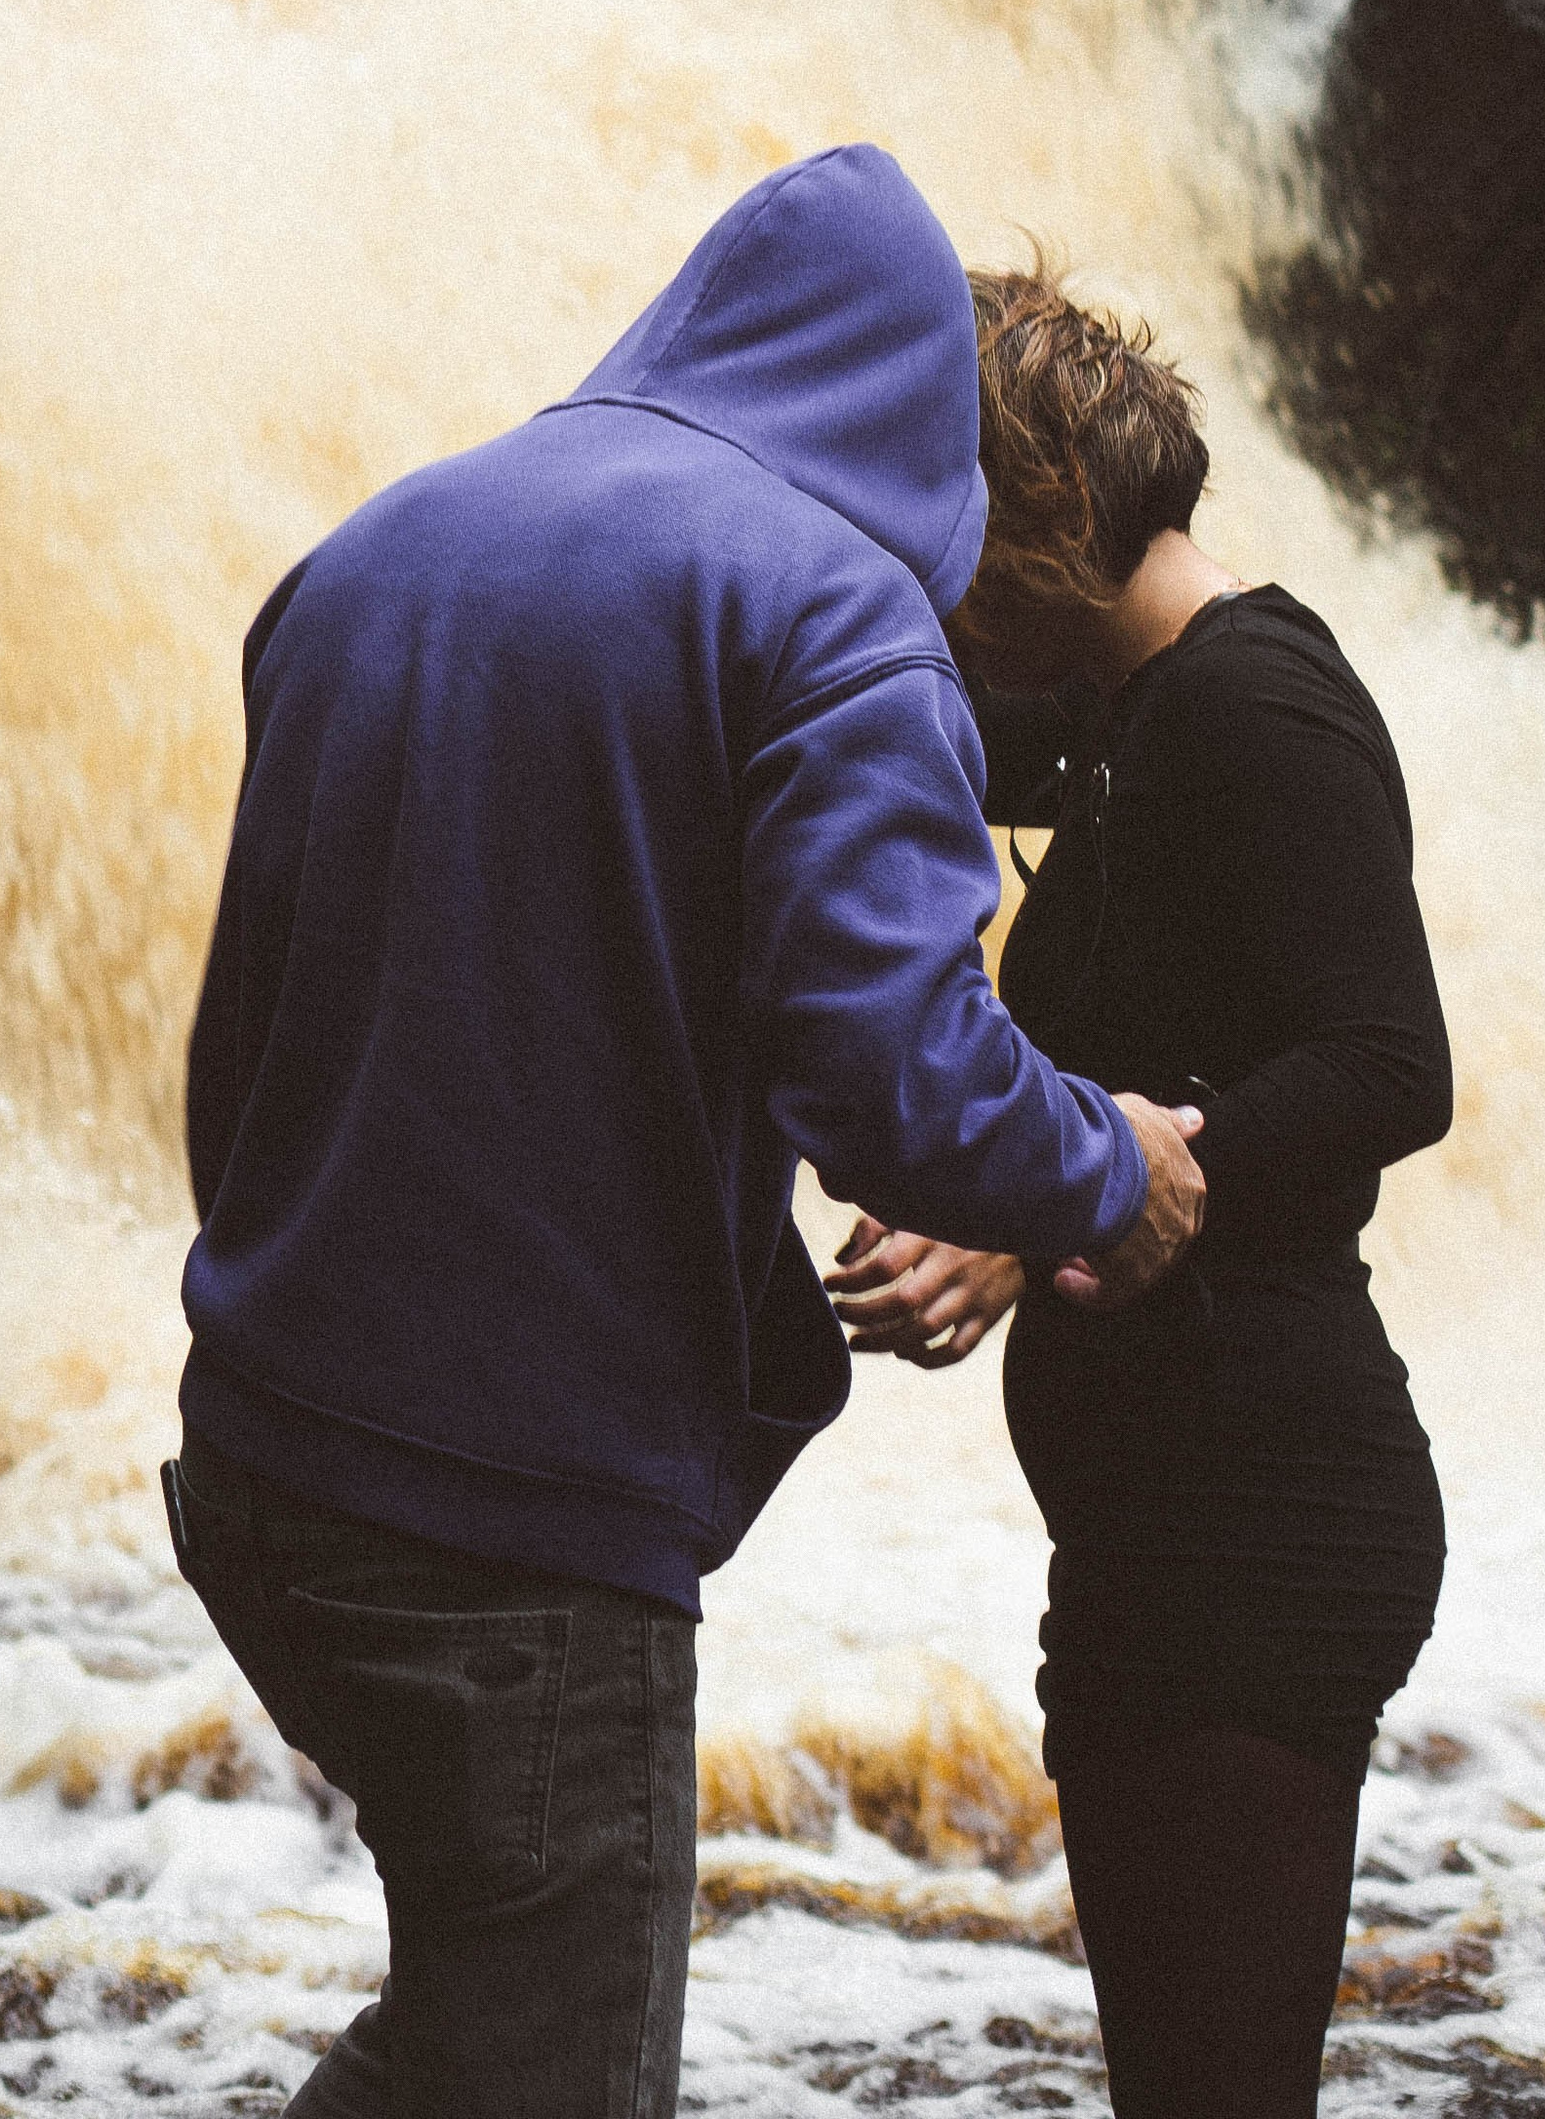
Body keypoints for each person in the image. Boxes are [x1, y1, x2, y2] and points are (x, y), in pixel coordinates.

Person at [167, 154, 1208, 2119]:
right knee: (550, 2075)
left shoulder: (379, 546)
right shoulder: (830, 620)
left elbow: (246, 1037)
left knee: (476, 2035)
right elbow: (892, 1078)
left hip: (266, 1466)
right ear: (916, 415)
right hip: (515, 1526)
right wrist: (1106, 1173)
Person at [828, 267, 1452, 2119]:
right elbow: (880, 714)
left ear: (1043, 521)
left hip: (1258, 1518)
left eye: (946, 515)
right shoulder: (1124, 712)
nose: (927, 567)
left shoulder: (1256, 709)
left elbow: (1385, 1067)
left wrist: (1052, 1206)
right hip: (1166, 1517)